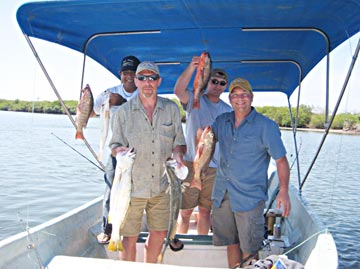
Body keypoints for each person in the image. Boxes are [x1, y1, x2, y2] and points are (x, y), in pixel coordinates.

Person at [109, 61, 187, 263]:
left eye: (151, 77)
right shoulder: (123, 113)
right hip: (131, 187)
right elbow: (115, 144)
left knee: (159, 234)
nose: (147, 82)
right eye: (142, 78)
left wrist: (178, 157)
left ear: (159, 81)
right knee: (129, 238)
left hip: (162, 186)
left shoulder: (171, 109)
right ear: (135, 81)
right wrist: (120, 152)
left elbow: (179, 142)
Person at [210, 78, 291, 268]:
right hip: (223, 194)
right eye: (236, 95)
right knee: (231, 243)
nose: (240, 99)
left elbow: (281, 161)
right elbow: (206, 137)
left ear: (251, 97)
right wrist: (200, 136)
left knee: (249, 249)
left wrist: (284, 191)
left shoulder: (266, 126)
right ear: (230, 98)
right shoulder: (222, 121)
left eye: (244, 94)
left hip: (250, 198)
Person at [173, 56, 232, 236]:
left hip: (214, 168)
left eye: (222, 83)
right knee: (185, 212)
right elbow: (178, 90)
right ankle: (180, 244)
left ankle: (201, 243)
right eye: (214, 81)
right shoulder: (194, 99)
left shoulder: (228, 110)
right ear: (207, 81)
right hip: (192, 163)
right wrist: (192, 67)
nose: (217, 85)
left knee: (206, 211)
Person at [94, 55, 140, 244]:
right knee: (111, 190)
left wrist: (121, 102)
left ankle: (132, 227)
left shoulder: (145, 92)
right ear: (120, 74)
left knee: (137, 191)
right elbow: (96, 109)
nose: (129, 76)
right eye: (125, 72)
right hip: (116, 152)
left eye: (132, 72)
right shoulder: (108, 92)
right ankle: (108, 229)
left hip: (139, 150)